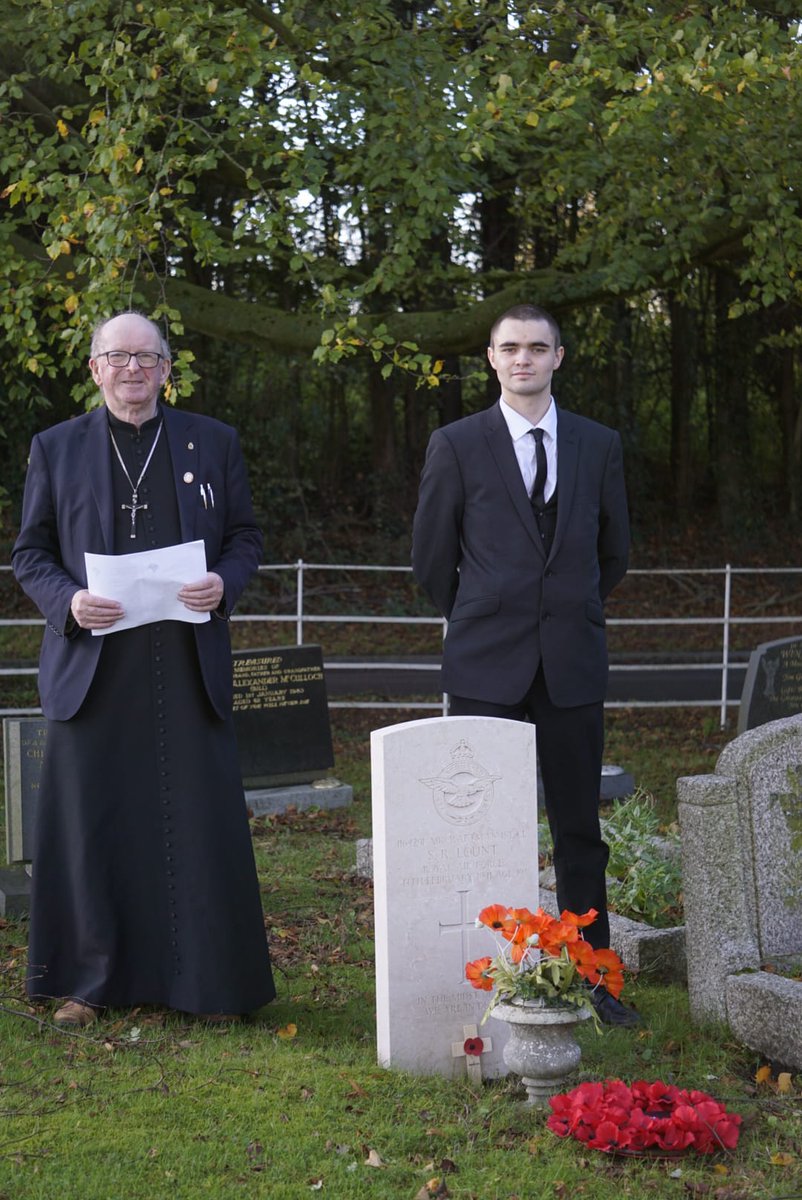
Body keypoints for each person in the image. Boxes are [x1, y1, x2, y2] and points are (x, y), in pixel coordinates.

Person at [12, 311, 275, 1026]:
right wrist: (67, 602)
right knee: (92, 825)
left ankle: (208, 984)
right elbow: (30, 553)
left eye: (146, 357)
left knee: (193, 820)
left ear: (166, 369)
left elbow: (246, 536)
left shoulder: (212, 441)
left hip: (186, 665)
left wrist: (225, 582)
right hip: (94, 665)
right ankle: (87, 983)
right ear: (95, 368)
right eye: (117, 356)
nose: (132, 368)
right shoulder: (56, 447)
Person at [412, 303, 638, 1026]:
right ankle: (492, 981)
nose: (523, 360)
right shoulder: (456, 443)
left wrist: (562, 612)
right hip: (485, 668)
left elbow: (614, 554)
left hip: (571, 663)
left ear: (558, 358)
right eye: (510, 348)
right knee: (481, 830)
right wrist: (489, 612)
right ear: (490, 358)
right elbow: (429, 563)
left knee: (578, 832)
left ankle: (592, 981)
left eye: (537, 349)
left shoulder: (598, 445)